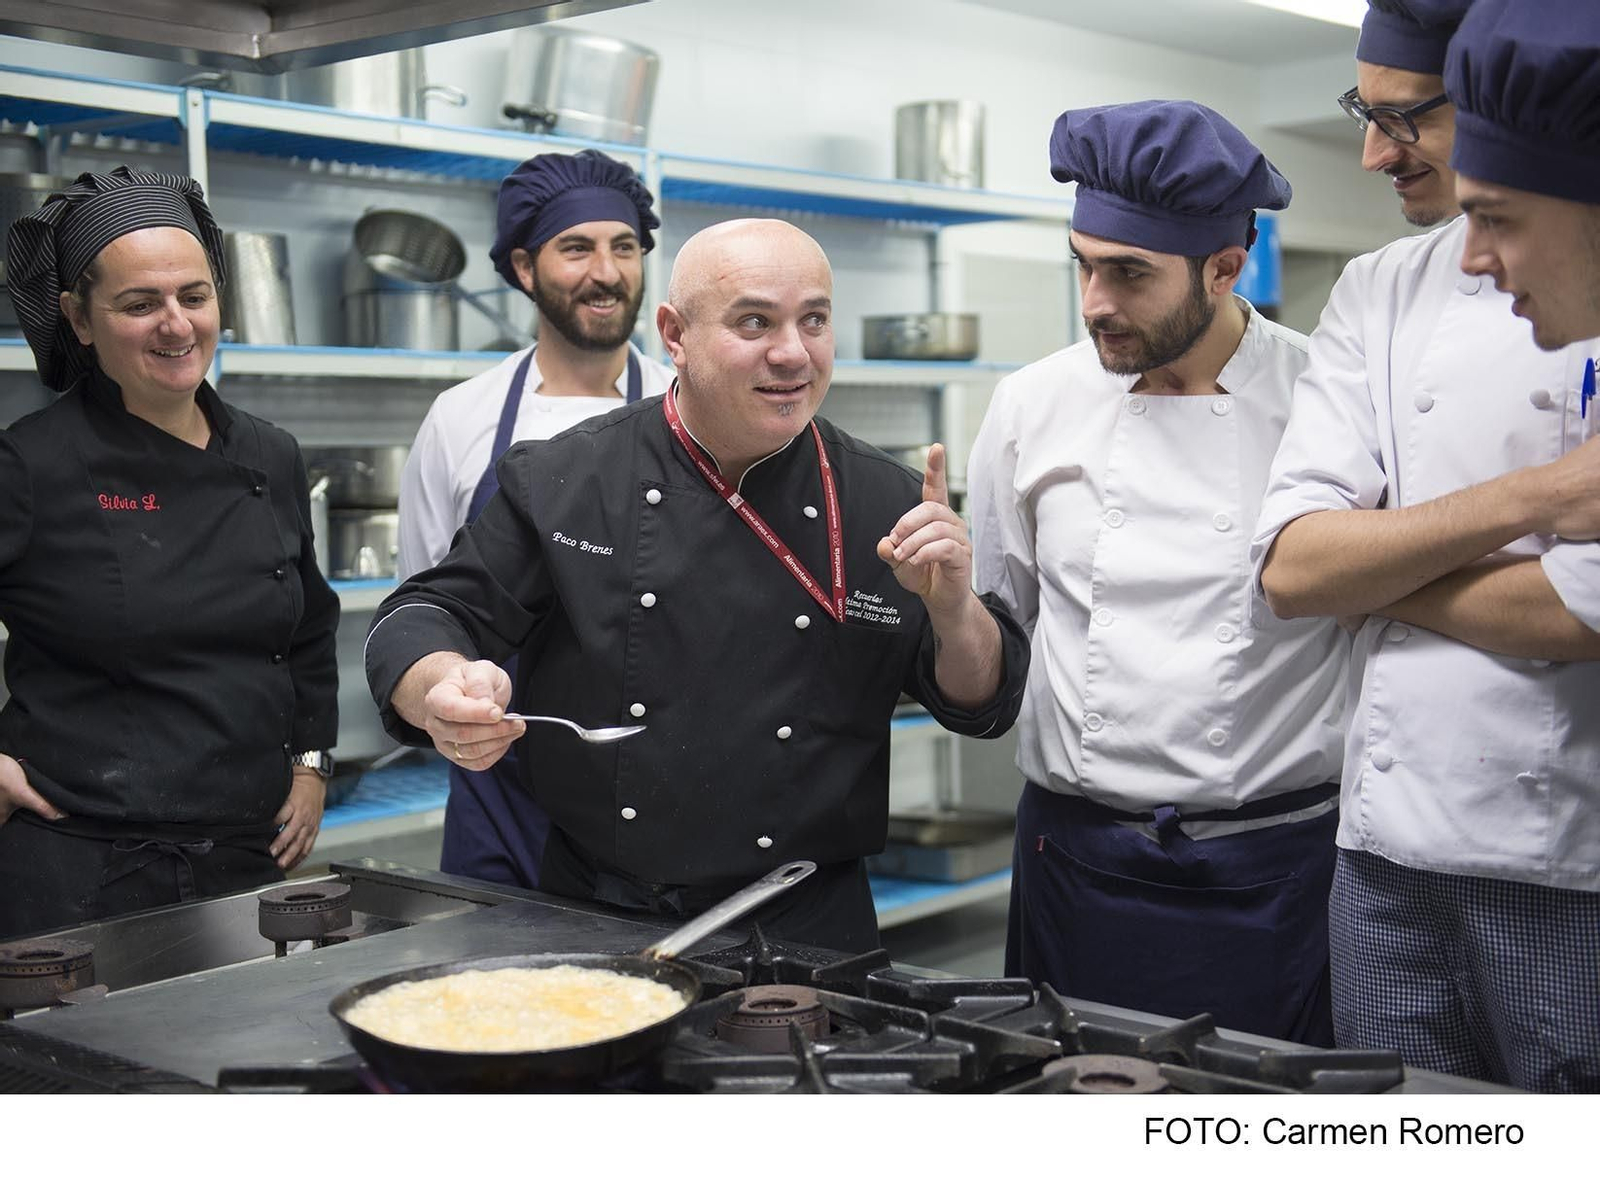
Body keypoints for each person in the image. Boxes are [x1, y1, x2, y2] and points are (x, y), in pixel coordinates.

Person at [365, 218, 1029, 953]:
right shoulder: (569, 478)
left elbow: (981, 704)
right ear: (674, 334)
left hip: (808, 926)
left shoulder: (888, 500)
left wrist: (953, 608)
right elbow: (425, 612)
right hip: (599, 913)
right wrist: (443, 684)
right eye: (755, 322)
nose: (793, 352)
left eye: (814, 320)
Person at [1253, 0, 1600, 1091]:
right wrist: (1540, 497)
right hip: (1380, 851)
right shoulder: (1381, 287)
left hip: (1568, 863)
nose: (1373, 153)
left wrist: (1378, 570)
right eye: (1364, 113)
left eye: (1403, 117)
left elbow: (1578, 611)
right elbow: (1293, 567)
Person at [967, 101, 1347, 1046]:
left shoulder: (1326, 401)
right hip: (1074, 860)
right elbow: (999, 632)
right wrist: (940, 605)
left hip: (1273, 869)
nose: (1095, 301)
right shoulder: (1031, 404)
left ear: (1226, 267)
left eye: (1130, 273)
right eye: (1083, 264)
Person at [0, 166, 339, 940]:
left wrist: (312, 761)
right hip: (79, 868)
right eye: (139, 304)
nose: (176, 325)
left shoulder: (270, 454)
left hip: (245, 859)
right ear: (79, 319)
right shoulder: (31, 464)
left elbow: (309, 628)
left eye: (194, 295)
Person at [396, 150, 674, 891]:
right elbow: (424, 607)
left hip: (651, 787)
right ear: (524, 267)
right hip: (497, 789)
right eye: (576, 248)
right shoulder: (462, 417)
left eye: (624, 247)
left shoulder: (688, 411)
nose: (607, 273)